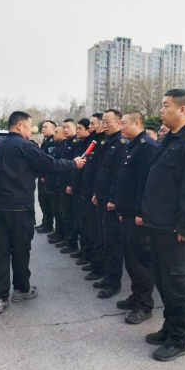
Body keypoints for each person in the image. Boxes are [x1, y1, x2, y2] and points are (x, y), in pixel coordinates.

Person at [0, 111, 86, 314]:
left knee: (1, 252)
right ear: (20, 126)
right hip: (21, 209)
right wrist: (74, 164)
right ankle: (21, 289)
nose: (32, 131)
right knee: (21, 250)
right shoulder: (26, 147)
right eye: (30, 126)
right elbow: (50, 164)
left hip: (0, 209)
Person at [142, 89, 185, 362]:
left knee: (180, 285)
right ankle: (169, 328)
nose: (161, 110)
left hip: (178, 231)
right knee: (164, 282)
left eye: (166, 105)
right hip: (160, 225)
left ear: (182, 110)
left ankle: (179, 340)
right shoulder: (170, 139)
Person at [115, 111, 158, 324]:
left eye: (124, 123)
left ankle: (144, 305)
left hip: (139, 216)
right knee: (131, 260)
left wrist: (142, 212)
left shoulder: (147, 146)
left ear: (137, 123)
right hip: (128, 212)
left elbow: (146, 184)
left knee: (141, 261)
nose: (121, 127)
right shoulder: (132, 145)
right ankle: (136, 295)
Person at [92, 109, 126, 298]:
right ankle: (107, 276)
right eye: (103, 122)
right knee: (103, 239)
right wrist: (97, 193)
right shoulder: (106, 142)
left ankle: (114, 282)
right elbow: (101, 171)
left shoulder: (121, 143)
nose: (104, 126)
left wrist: (113, 199)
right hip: (102, 197)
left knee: (113, 242)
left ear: (118, 123)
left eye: (108, 122)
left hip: (112, 202)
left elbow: (118, 176)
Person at [81, 113, 107, 279]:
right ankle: (92, 261)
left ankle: (99, 268)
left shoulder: (104, 142)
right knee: (89, 228)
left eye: (92, 124)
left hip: (97, 194)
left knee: (97, 233)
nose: (89, 127)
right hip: (88, 191)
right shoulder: (94, 141)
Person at [66, 118, 91, 257]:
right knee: (78, 220)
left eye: (80, 128)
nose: (77, 131)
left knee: (85, 222)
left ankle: (86, 251)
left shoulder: (90, 146)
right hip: (77, 188)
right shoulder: (79, 144)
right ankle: (82, 249)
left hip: (84, 189)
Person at [55, 119, 79, 253]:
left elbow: (75, 166)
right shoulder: (66, 142)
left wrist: (70, 184)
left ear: (75, 128)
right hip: (62, 182)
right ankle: (66, 238)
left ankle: (72, 242)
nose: (65, 130)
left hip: (69, 184)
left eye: (68, 127)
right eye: (63, 127)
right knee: (63, 212)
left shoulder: (76, 143)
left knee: (69, 214)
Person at [45, 126, 66, 244]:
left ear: (63, 134)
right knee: (55, 209)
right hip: (52, 182)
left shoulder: (64, 146)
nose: (54, 135)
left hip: (58, 183)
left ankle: (61, 233)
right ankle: (58, 231)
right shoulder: (56, 146)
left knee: (60, 211)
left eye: (56, 132)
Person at [36, 120, 56, 233]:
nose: (43, 129)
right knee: (42, 200)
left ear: (53, 129)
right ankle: (45, 222)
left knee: (47, 202)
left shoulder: (53, 142)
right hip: (42, 175)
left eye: (46, 127)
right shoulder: (46, 141)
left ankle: (48, 224)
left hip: (46, 176)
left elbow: (49, 161)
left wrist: (44, 175)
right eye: (42, 127)